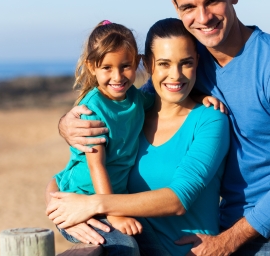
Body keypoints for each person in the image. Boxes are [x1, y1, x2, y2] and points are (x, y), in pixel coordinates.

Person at [51, 0, 270, 255]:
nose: (203, 17)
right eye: (189, 7)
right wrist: (68, 123)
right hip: (226, 224)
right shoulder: (197, 58)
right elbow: (133, 97)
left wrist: (228, 240)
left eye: (213, 1)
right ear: (176, 8)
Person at [47, 18, 230, 256]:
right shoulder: (131, 114)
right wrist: (63, 214)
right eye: (164, 63)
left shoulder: (210, 119)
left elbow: (178, 199)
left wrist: (92, 205)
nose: (175, 75)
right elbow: (67, 175)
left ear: (197, 61)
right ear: (148, 64)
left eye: (185, 63)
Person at [51, 20, 154, 256]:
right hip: (80, 202)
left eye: (125, 66)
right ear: (91, 66)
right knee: (125, 248)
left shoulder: (136, 99)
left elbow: (163, 102)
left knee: (155, 247)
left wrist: (200, 97)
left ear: (137, 62)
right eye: (107, 67)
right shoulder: (92, 111)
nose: (117, 76)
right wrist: (114, 213)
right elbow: (97, 167)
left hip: (112, 200)